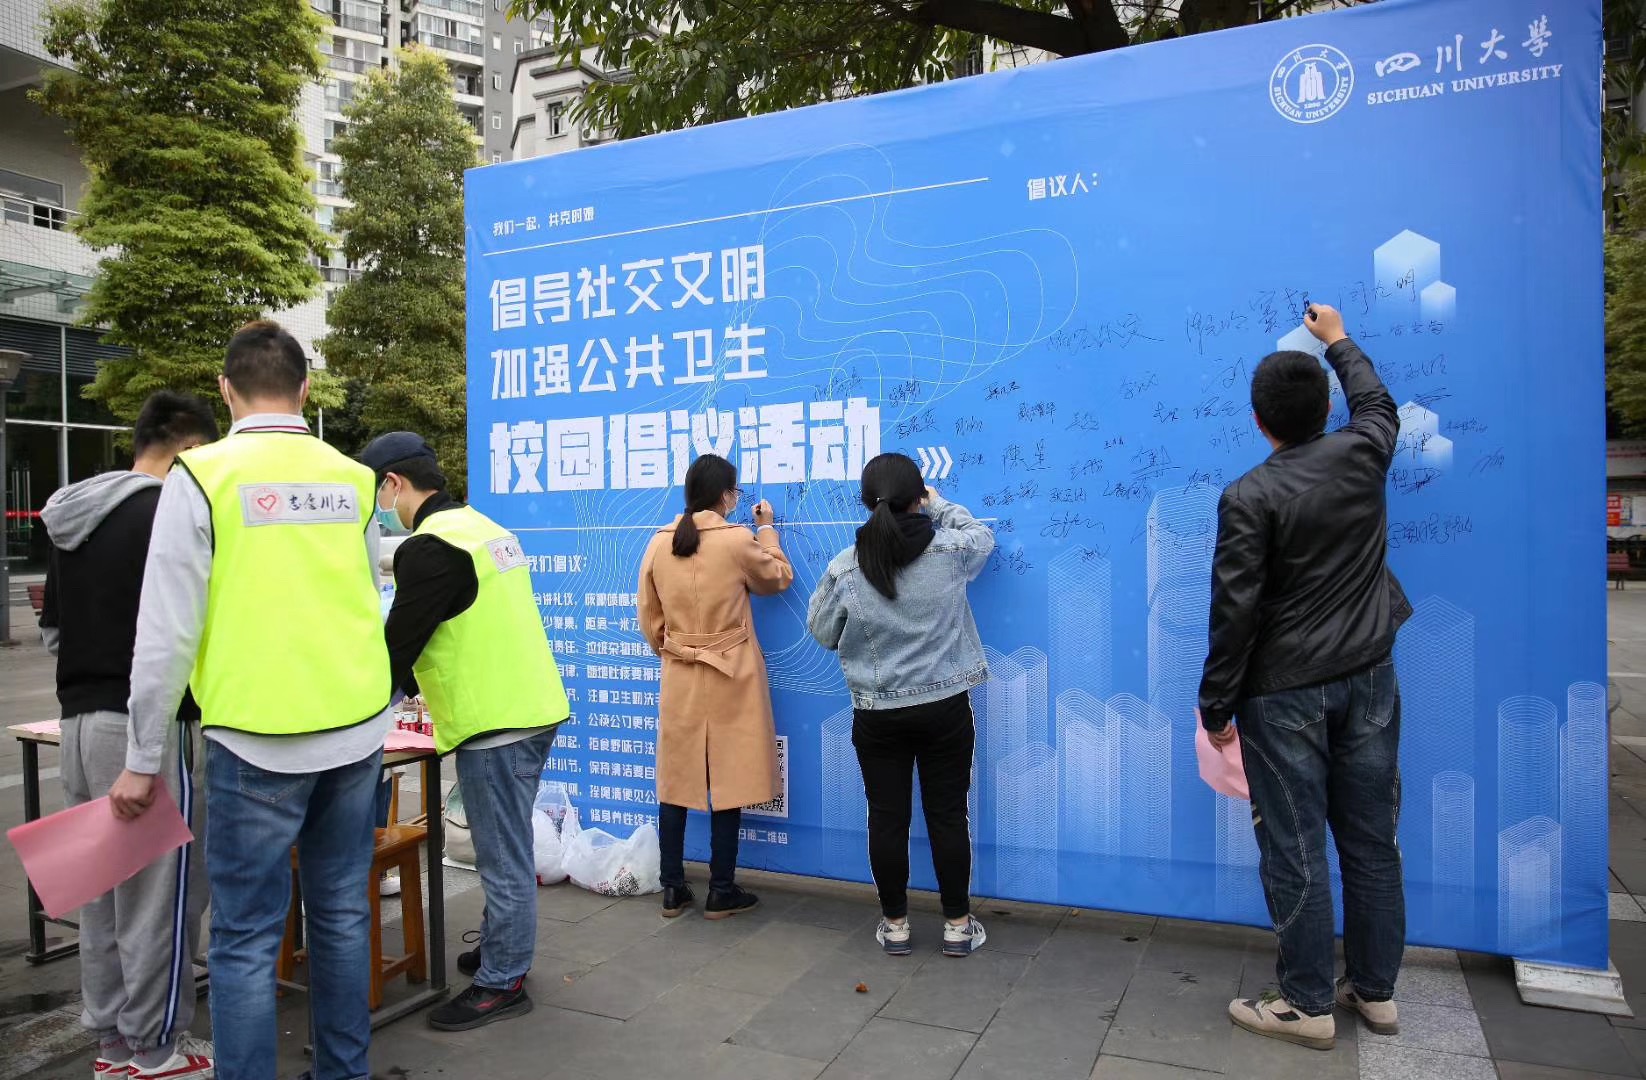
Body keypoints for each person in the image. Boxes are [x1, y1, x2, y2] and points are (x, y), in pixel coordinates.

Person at [117, 321, 393, 1080]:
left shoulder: (201, 476)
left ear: (226, 390)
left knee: (244, 938)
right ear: (304, 389)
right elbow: (365, 597)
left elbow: (165, 633)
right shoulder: (354, 478)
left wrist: (142, 758)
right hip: (356, 730)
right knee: (342, 916)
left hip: (254, 736)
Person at [1199, 303, 1410, 1051]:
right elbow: (1378, 404)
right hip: (1369, 674)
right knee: (1372, 841)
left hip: (1284, 692)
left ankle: (1306, 1002)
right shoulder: (1364, 451)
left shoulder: (1248, 495)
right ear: (1327, 410)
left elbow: (1235, 611)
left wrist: (1216, 707)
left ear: (1260, 423)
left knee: (1295, 848)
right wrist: (1339, 340)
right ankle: (1376, 994)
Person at [38, 391, 219, 1080]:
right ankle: (157, 1049)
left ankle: (113, 1045)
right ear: (191, 450)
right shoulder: (170, 514)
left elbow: (54, 631)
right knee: (159, 901)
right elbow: (183, 634)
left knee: (103, 896)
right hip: (149, 730)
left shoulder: (73, 516)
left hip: (79, 724)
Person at [364, 431, 569, 1032]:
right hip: (532, 707)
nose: (380, 508)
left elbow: (399, 645)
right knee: (508, 845)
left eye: (377, 494)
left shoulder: (430, 547)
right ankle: (504, 944)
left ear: (393, 484)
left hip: (493, 723)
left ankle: (502, 981)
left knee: (502, 858)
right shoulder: (485, 529)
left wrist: (361, 707)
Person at [806, 452, 994, 958]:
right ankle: (957, 926)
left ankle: (895, 927)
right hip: (945, 707)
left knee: (887, 819)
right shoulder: (950, 549)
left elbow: (822, 630)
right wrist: (940, 505)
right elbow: (982, 538)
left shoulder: (847, 565)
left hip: (878, 712)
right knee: (948, 815)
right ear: (918, 498)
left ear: (867, 502)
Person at [638, 454, 793, 919]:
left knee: (676, 779)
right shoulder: (737, 539)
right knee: (729, 777)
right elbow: (778, 578)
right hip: (732, 672)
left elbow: (650, 618)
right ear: (727, 495)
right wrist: (767, 529)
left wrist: (676, 650)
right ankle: (721, 889)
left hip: (680, 672)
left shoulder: (659, 542)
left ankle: (672, 887)